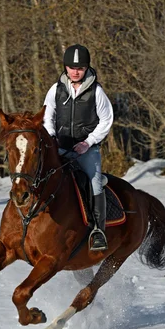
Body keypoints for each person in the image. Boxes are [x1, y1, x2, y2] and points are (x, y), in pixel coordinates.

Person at [43, 44, 114, 251]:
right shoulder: (56, 89)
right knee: (36, 175)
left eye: (80, 68)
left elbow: (106, 120)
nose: (75, 72)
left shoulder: (96, 92)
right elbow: (48, 115)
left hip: (86, 151)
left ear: (86, 68)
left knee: (95, 183)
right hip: (60, 148)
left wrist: (88, 142)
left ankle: (98, 231)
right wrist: (52, 136)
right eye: (72, 67)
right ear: (65, 67)